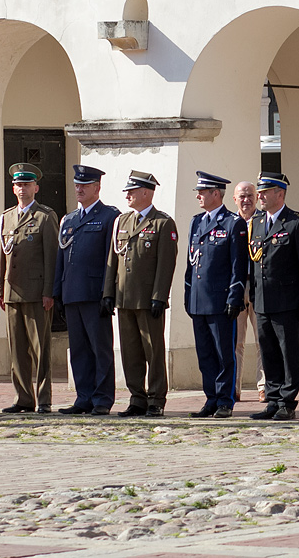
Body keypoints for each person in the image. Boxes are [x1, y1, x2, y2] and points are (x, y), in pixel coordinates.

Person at [102, 170, 178, 418]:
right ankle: (137, 398)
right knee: (130, 352)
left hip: (147, 300)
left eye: (132, 191)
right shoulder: (122, 221)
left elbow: (166, 264)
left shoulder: (162, 223)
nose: (127, 195)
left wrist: (159, 296)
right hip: (125, 298)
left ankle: (156, 398)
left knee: (153, 351)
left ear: (146, 192)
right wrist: (108, 293)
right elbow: (113, 260)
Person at [53, 165, 120, 416]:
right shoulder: (69, 220)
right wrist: (57, 291)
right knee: (79, 349)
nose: (79, 189)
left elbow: (110, 259)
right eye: (76, 185)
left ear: (97, 187)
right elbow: (61, 258)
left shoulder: (109, 217)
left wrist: (108, 293)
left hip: (95, 294)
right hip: (72, 293)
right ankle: (84, 396)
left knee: (100, 348)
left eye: (84, 185)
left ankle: (102, 398)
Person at [247, 172, 299, 421]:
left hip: (287, 300)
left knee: (288, 353)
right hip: (263, 300)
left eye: (265, 192)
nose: (260, 196)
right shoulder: (257, 222)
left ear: (280, 194)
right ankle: (273, 399)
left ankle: (287, 401)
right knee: (268, 352)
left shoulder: (296, 222)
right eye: (259, 192)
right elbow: (254, 262)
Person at [184, 171, 249, 419]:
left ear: (215, 194)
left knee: (224, 354)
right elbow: (192, 264)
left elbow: (238, 266)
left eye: (203, 191)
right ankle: (211, 398)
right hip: (199, 300)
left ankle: (224, 400)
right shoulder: (196, 222)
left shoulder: (233, 223)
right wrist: (188, 294)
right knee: (205, 355)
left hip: (221, 300)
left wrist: (235, 297)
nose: (198, 196)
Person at [0, 162, 58, 414]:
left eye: (27, 185)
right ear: (13, 188)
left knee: (40, 349)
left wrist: (48, 291)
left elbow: (51, 257)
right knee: (17, 350)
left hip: (36, 293)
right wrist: (0, 291)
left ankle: (43, 399)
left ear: (36, 187)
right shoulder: (6, 217)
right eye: (18, 185)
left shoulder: (45, 216)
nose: (22, 189)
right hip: (12, 293)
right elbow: (3, 257)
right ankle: (23, 398)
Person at [232, 180, 266, 403]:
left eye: (250, 195)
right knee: (236, 341)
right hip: (236, 287)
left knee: (263, 339)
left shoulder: (264, 221)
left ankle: (264, 386)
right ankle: (234, 387)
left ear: (256, 198)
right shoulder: (229, 222)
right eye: (242, 196)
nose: (246, 200)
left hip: (259, 287)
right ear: (234, 199)